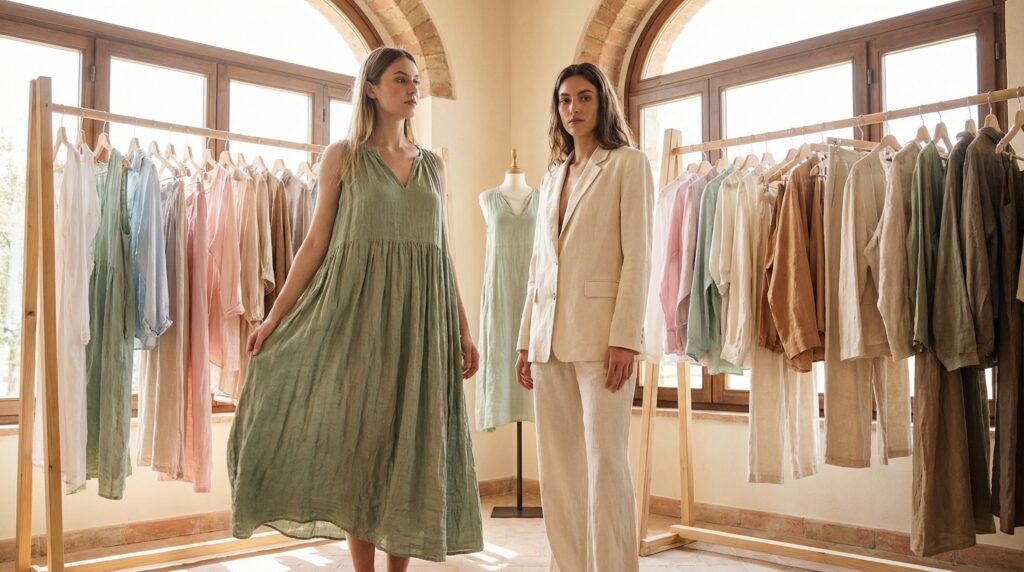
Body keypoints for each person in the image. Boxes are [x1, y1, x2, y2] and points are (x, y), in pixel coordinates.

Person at [227, 46, 484, 572]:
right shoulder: (342, 156)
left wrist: (462, 327)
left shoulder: (433, 166)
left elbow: (442, 250)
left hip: (423, 324)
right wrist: (275, 317)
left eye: (415, 81)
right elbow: (315, 242)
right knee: (361, 451)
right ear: (371, 89)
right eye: (400, 80)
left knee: (412, 448)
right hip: (358, 322)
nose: (413, 89)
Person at [516, 62, 654, 572]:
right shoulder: (553, 176)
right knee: (559, 472)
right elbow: (538, 265)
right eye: (564, 100)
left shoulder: (628, 164)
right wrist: (524, 339)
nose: (573, 109)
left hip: (604, 344)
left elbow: (639, 256)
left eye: (584, 98)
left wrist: (626, 338)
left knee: (605, 467)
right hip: (549, 342)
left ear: (603, 104)